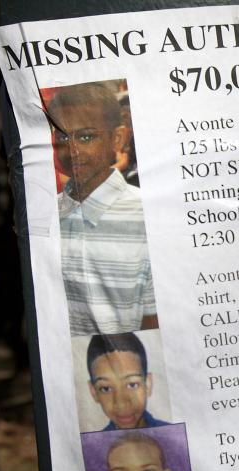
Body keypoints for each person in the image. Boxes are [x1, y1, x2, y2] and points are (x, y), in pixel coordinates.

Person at [48, 81, 158, 336]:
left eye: (86, 136)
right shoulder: (46, 215)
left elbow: (155, 323)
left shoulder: (146, 214)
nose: (72, 150)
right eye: (63, 136)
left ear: (117, 138)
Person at [87, 332, 169, 432]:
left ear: (148, 384)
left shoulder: (175, 436)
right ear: (94, 392)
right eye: (106, 388)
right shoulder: (91, 446)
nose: (121, 404)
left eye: (132, 385)